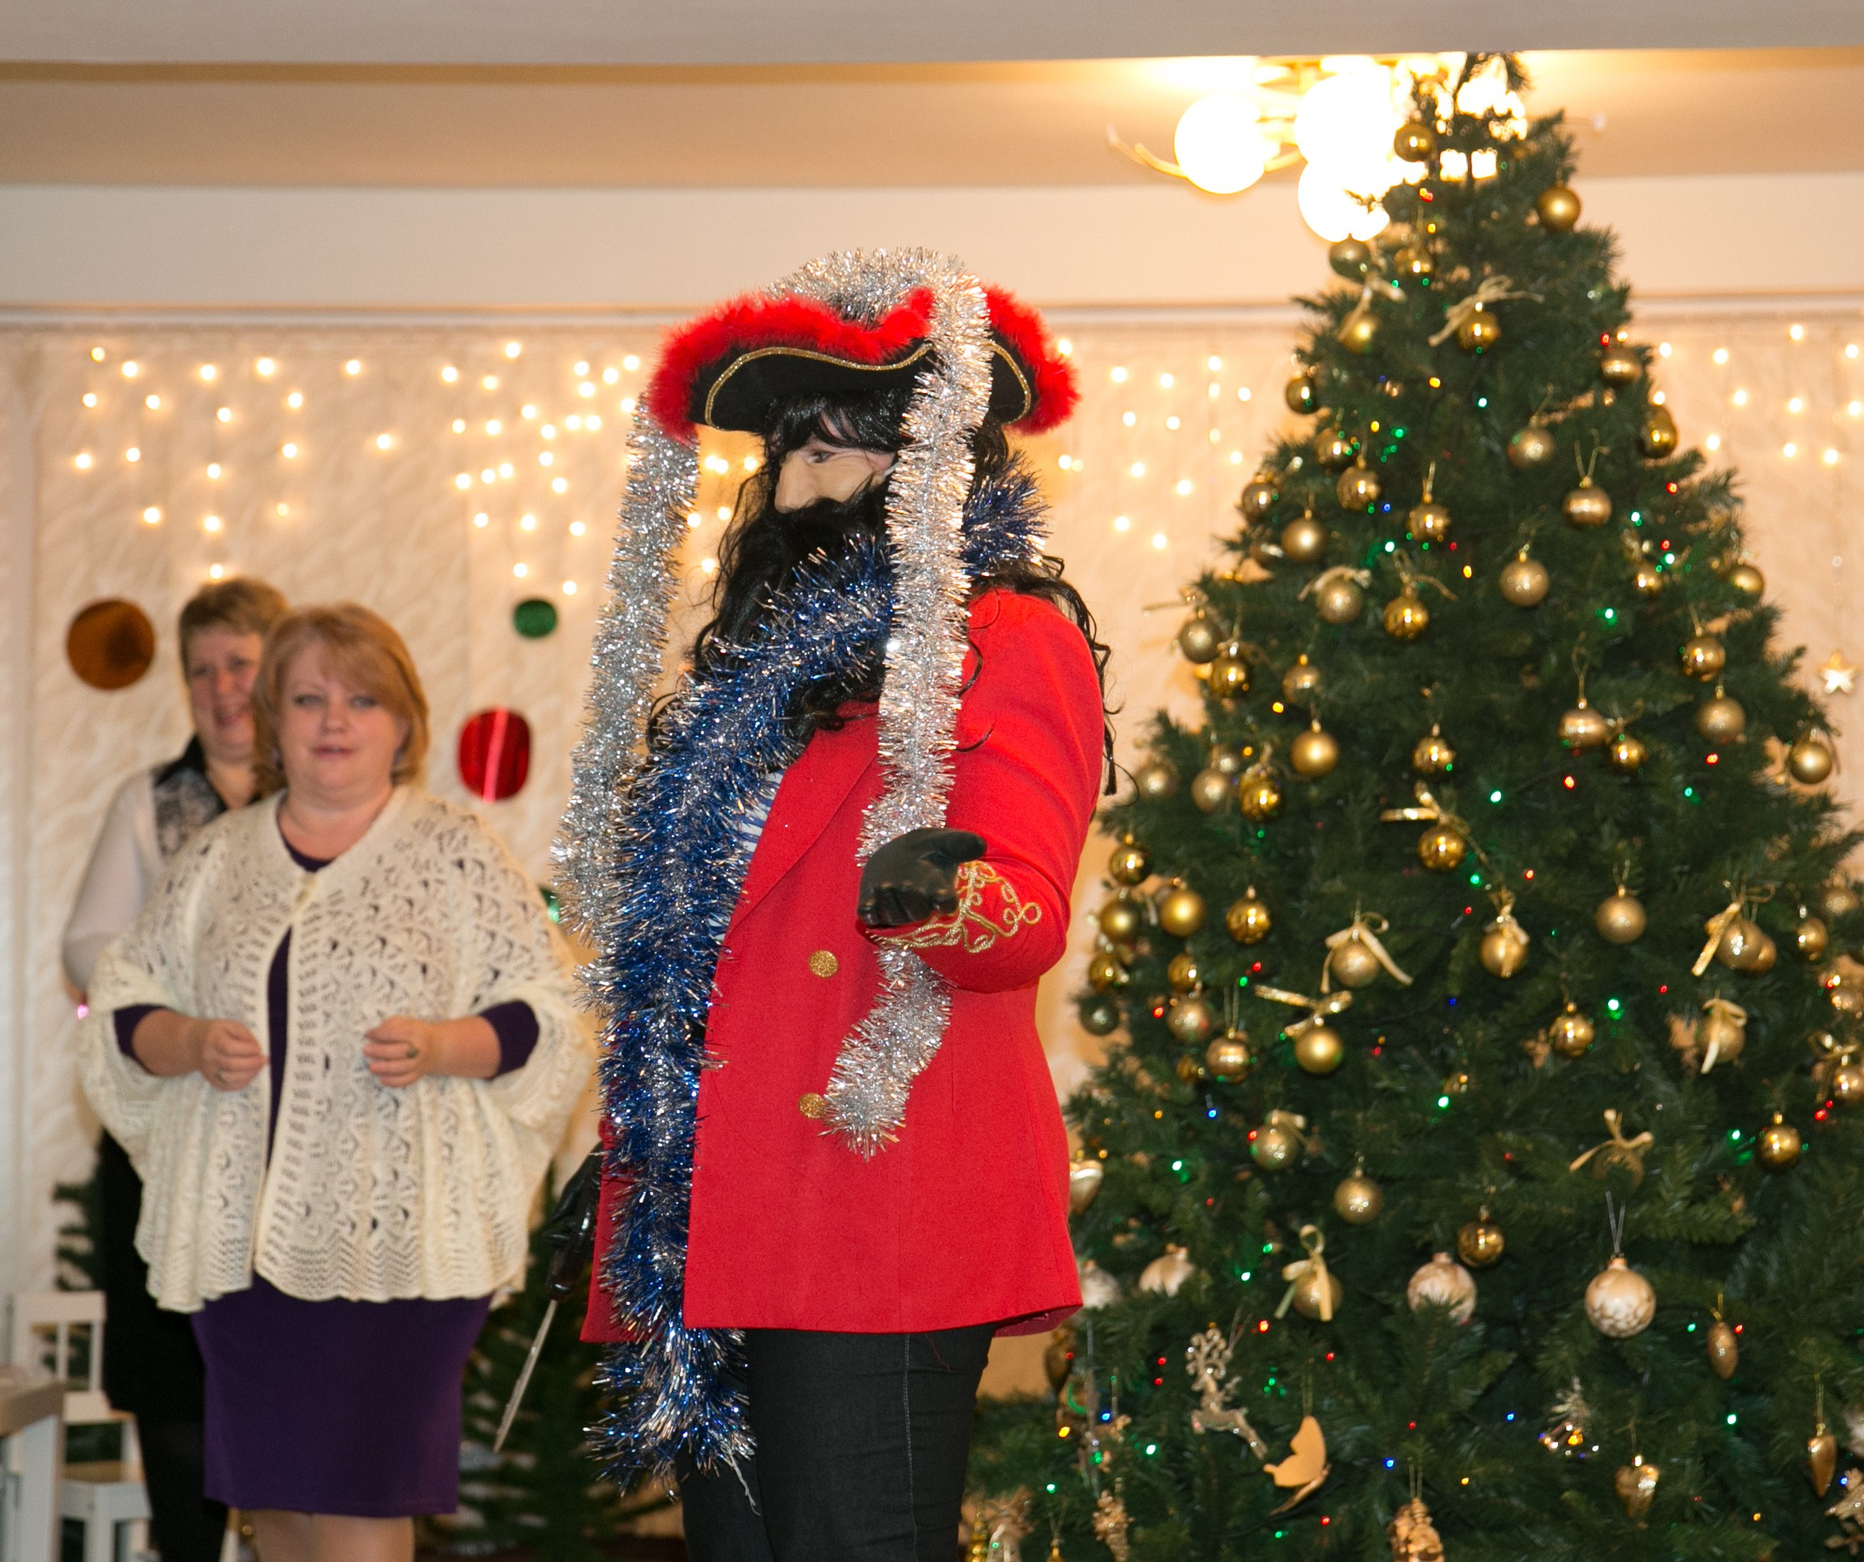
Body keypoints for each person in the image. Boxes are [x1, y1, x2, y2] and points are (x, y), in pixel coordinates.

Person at [558, 251, 1106, 1561]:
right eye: (796, 447)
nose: (814, 478)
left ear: (935, 466)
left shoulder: (1008, 634)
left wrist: (943, 891)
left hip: (879, 1198)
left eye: (857, 443)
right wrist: (637, 1118)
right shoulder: (744, 694)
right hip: (717, 1205)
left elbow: (1023, 915)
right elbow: (712, 956)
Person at [79, 604, 584, 1562]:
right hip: (244, 1252)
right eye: (307, 698)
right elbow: (122, 1005)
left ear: (404, 723)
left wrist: (448, 1043)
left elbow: (548, 1012)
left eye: (361, 698)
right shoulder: (216, 860)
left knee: (360, 1503)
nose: (333, 719)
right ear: (273, 721)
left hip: (399, 1247)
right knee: (274, 1510)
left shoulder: (458, 850)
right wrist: (186, 1038)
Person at [62, 575, 286, 1562]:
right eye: (202, 670)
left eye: (240, 663)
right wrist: (183, 1016)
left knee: (291, 1384)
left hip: (292, 1144)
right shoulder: (150, 801)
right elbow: (88, 945)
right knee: (173, 1382)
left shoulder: (328, 790)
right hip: (172, 1132)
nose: (221, 686)